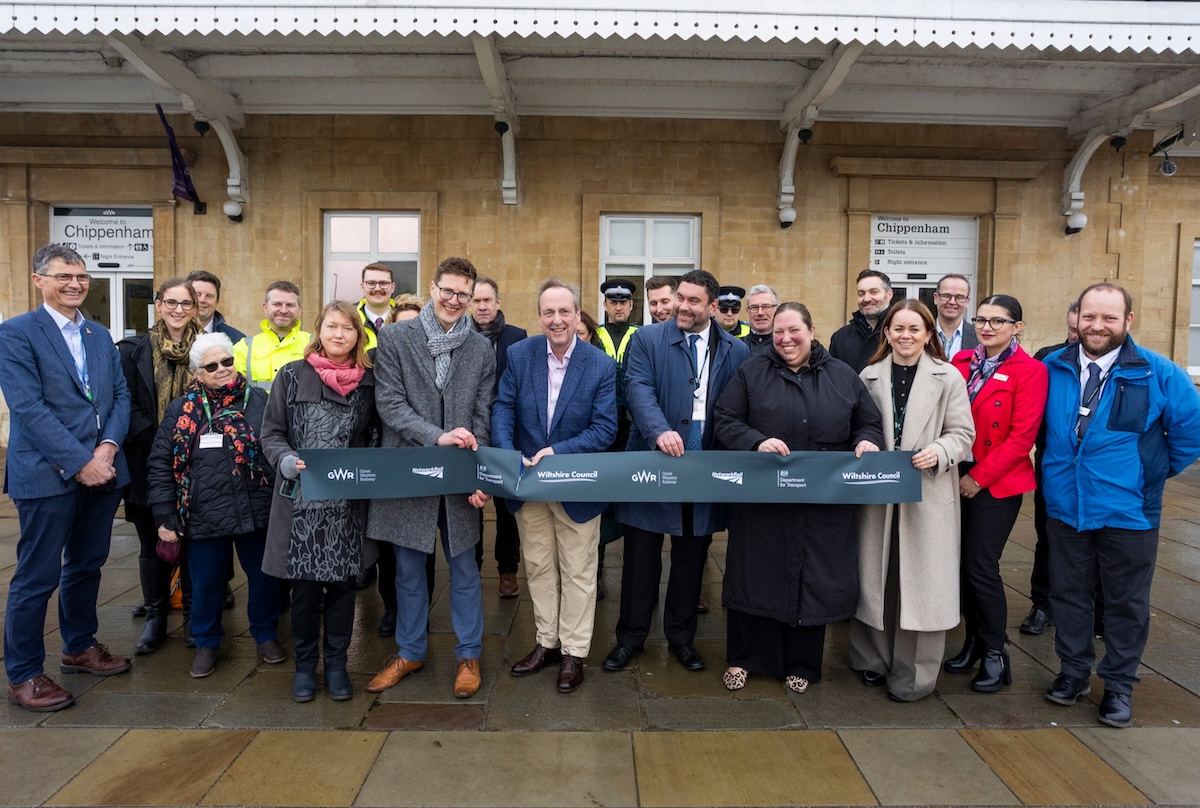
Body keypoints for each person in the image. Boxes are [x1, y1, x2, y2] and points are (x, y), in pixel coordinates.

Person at [1040, 283, 1200, 728]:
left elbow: (1189, 434)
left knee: (1126, 602)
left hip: (1130, 511)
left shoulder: (1159, 372)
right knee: (1068, 596)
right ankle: (1072, 673)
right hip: (1065, 507)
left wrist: (1149, 474)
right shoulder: (1051, 368)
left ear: (1128, 321)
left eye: (1109, 318)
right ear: (1077, 318)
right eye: (1090, 316)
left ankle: (1118, 685)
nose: (1098, 326)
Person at [714, 302, 883, 694]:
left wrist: (866, 441)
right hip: (761, 503)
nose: (786, 339)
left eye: (794, 331)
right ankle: (744, 658)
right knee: (753, 578)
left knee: (815, 582)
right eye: (778, 332)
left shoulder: (843, 375)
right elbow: (726, 419)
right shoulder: (751, 370)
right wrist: (756, 441)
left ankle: (802, 664)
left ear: (812, 330)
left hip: (821, 505)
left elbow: (868, 422)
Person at [1, 244, 132, 713]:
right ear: (40, 280)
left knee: (86, 565)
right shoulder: (16, 334)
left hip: (103, 469)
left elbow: (118, 396)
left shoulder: (99, 335)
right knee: (36, 576)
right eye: (64, 276)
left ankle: (79, 646)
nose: (75, 283)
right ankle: (23, 674)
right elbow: (28, 408)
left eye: (81, 276)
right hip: (46, 473)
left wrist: (108, 448)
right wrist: (80, 461)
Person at [604, 270, 750, 673]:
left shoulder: (735, 350)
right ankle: (630, 639)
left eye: (693, 301)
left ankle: (681, 639)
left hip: (705, 464)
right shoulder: (647, 340)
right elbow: (637, 388)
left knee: (691, 558)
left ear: (712, 306)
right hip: (654, 459)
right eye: (680, 298)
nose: (683, 307)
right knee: (640, 558)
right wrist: (659, 430)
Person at [366, 257, 495, 700]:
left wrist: (480, 473)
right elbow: (390, 405)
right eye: (448, 290)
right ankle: (410, 651)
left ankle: (468, 655)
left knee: (464, 568)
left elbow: (482, 412)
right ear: (432, 287)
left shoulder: (480, 347)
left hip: (459, 472)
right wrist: (437, 436)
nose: (455, 300)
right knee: (407, 570)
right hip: (408, 468)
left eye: (465, 294)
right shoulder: (396, 337)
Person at [491, 279, 617, 693]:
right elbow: (503, 406)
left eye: (565, 312)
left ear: (577, 315)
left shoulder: (599, 364)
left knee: (579, 571)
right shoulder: (520, 353)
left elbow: (605, 429)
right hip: (529, 484)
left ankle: (574, 653)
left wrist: (557, 451)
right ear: (540, 316)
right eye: (549, 312)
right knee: (540, 567)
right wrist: (508, 455)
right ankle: (546, 643)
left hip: (576, 486)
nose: (557, 319)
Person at [850, 299, 974, 702]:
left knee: (923, 584)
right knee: (876, 576)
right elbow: (856, 425)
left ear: (928, 334)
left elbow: (963, 433)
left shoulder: (949, 376)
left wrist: (939, 451)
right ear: (886, 333)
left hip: (928, 490)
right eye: (897, 328)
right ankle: (873, 660)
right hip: (879, 492)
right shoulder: (868, 375)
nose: (905, 336)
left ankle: (915, 676)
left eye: (914, 329)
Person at [146, 332, 284, 678]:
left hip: (258, 509)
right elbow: (161, 463)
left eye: (227, 361)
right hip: (204, 514)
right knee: (206, 584)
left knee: (265, 579)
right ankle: (207, 644)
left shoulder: (260, 401)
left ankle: (266, 635)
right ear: (197, 373)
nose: (223, 369)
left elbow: (280, 444)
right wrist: (165, 514)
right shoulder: (182, 410)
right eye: (212, 365)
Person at [260, 301, 378, 702]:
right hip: (302, 508)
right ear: (319, 330)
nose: (339, 334)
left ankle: (338, 665)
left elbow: (376, 435)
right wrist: (286, 460)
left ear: (358, 335)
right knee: (306, 594)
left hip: (348, 507)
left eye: (347, 328)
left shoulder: (369, 382)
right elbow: (271, 433)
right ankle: (306, 668)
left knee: (344, 592)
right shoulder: (292, 376)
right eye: (332, 327)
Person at [945, 295, 1047, 692]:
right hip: (955, 473)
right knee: (960, 565)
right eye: (982, 320)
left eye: (998, 321)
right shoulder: (960, 363)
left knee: (980, 566)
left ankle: (995, 653)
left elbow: (1022, 438)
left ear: (1016, 326)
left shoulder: (1031, 371)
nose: (987, 328)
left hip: (996, 481)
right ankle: (972, 641)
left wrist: (979, 478)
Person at [118, 278, 203, 655]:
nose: (179, 310)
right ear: (158, 304)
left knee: (192, 545)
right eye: (172, 302)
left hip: (197, 466)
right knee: (153, 544)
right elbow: (125, 405)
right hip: (145, 462)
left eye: (187, 303)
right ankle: (155, 618)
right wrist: (159, 445)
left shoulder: (209, 348)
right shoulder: (131, 351)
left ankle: (191, 619)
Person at [1023, 300, 1081, 636]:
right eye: (1072, 329)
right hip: (1053, 462)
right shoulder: (1048, 357)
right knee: (1048, 537)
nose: (1077, 336)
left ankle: (1096, 609)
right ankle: (1042, 605)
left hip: (1097, 470)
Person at [470, 275, 528, 598]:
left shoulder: (517, 337)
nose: (482, 306)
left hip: (509, 431)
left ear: (498, 302)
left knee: (508, 506)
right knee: (472, 502)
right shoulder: (460, 336)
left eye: (487, 300)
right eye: (476, 300)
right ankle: (473, 568)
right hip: (472, 433)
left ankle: (508, 570)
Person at [233, 281, 311, 391]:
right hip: (260, 408)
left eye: (290, 305)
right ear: (265, 307)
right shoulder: (244, 348)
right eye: (277, 304)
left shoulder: (314, 344)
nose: (283, 310)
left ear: (299, 310)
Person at [829, 269, 895, 373]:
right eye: (861, 293)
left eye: (874, 292)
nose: (867, 299)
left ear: (889, 294)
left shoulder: (903, 335)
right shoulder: (840, 338)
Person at [187, 270, 246, 343]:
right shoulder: (170, 335)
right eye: (197, 294)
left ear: (217, 301)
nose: (202, 300)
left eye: (209, 296)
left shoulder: (236, 340)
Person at [933, 274, 978, 357]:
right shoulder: (922, 333)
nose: (952, 302)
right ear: (936, 298)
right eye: (946, 296)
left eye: (959, 297)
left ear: (967, 301)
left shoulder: (979, 336)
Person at [357, 262, 396, 350]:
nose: (377, 288)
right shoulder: (350, 320)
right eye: (371, 283)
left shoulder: (405, 320)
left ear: (392, 287)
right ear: (362, 287)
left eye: (383, 283)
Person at [742, 284, 778, 357]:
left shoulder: (785, 346)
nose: (760, 313)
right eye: (754, 308)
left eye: (766, 307)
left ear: (776, 309)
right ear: (747, 311)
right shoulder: (736, 347)